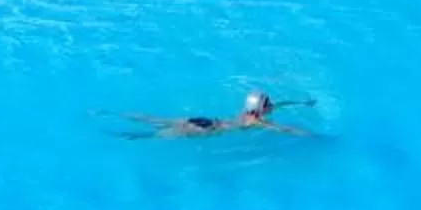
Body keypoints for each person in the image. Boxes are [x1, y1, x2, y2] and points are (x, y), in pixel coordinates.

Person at [122, 90, 309, 139]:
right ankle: (126, 136)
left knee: (159, 121)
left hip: (205, 120)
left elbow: (280, 105)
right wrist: (308, 135)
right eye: (269, 103)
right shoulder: (254, 121)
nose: (272, 105)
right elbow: (281, 129)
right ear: (261, 108)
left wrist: (301, 103)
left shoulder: (247, 113)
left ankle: (121, 115)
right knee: (155, 136)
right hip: (207, 129)